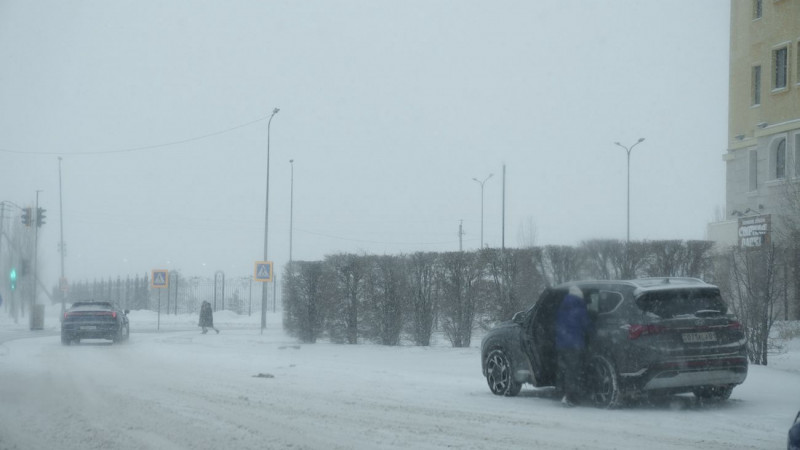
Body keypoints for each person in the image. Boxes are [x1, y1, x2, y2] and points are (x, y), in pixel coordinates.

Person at [555, 285, 592, 407]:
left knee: (564, 369)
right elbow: (586, 325)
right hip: (575, 344)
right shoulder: (580, 309)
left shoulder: (562, 308)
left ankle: (561, 392)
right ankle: (570, 396)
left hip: (561, 344)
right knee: (573, 371)